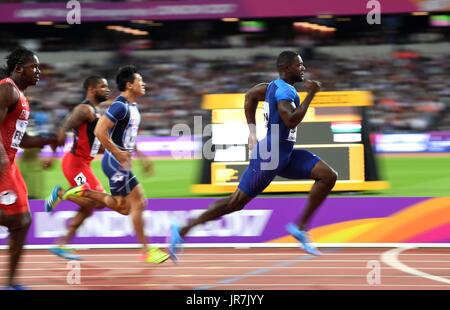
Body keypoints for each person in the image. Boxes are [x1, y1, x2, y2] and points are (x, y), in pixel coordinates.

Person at [169, 51, 338, 260]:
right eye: (299, 65)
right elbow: (291, 120)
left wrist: (251, 130)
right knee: (235, 203)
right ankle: (184, 229)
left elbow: (249, 96)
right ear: (286, 68)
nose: (303, 68)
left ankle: (300, 227)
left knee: (328, 176)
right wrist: (311, 95)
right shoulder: (283, 91)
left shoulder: (270, 88)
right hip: (270, 155)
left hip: (284, 153)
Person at [56, 66, 168, 264]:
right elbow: (100, 131)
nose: (143, 84)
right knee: (138, 203)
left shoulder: (132, 107)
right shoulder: (120, 106)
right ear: (129, 85)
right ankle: (147, 250)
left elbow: (128, 139)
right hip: (115, 162)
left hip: (120, 161)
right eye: (139, 80)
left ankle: (82, 192)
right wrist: (117, 153)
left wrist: (142, 157)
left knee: (123, 207)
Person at [0, 47, 58, 289]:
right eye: (34, 67)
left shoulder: (22, 98)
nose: (38, 71)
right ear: (18, 68)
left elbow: (22, 140)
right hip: (1, 163)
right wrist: (1, 156)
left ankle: (11, 282)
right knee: (17, 220)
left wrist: (48, 139)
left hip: (9, 165)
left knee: (22, 221)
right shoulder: (6, 89)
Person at [44, 75, 116, 260]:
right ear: (91, 89)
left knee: (89, 208)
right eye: (102, 86)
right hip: (75, 164)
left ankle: (62, 245)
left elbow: (92, 143)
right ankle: (60, 193)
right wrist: (52, 154)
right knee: (99, 201)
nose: (107, 90)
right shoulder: (85, 109)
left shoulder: (96, 112)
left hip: (83, 164)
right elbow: (64, 126)